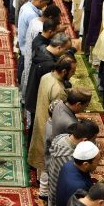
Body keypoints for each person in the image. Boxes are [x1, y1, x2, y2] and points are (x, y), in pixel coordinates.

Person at [28, 55, 77, 188]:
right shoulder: (59, 90)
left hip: (39, 118)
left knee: (39, 152)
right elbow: (60, 114)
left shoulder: (46, 76)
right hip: (50, 126)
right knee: (46, 158)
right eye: (72, 72)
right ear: (64, 71)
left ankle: (39, 177)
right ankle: (43, 186)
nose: (73, 75)